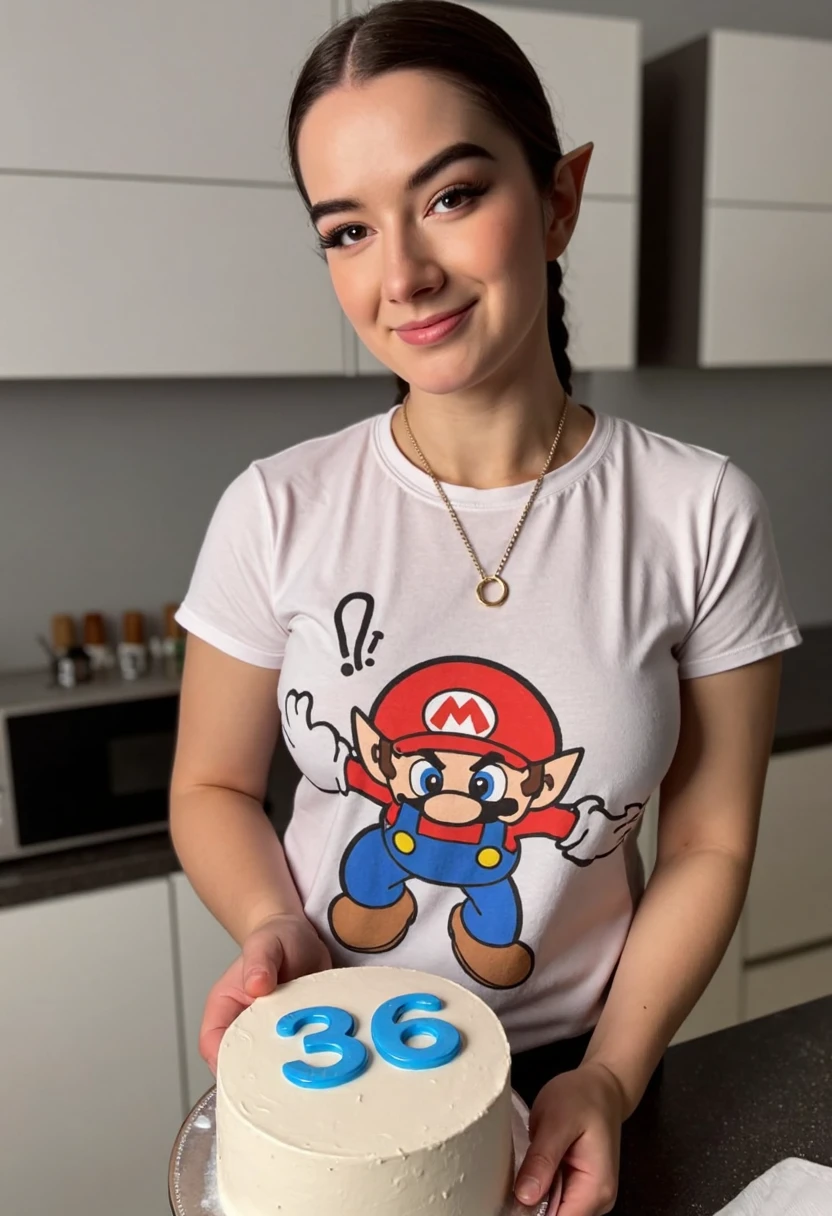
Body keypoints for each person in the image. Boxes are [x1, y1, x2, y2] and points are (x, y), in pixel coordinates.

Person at [169, 3, 802, 1212]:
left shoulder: (696, 510)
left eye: (450, 196)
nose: (400, 273)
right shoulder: (276, 507)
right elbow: (209, 784)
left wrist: (612, 1077)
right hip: (326, 1052)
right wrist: (272, 924)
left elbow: (710, 841)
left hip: (580, 1074)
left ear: (557, 200)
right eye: (347, 229)